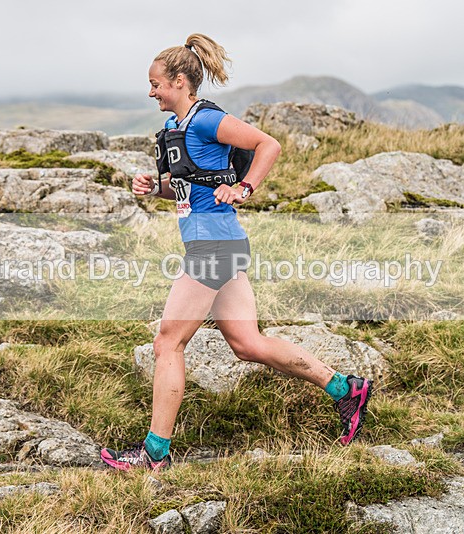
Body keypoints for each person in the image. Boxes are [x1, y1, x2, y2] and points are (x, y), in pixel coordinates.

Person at [100, 34, 372, 471]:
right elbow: (191, 188)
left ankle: (153, 455)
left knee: (168, 342)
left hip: (213, 246)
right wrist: (156, 188)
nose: (150, 92)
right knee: (247, 343)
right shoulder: (175, 130)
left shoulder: (208, 120)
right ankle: (344, 388)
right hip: (220, 243)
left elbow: (269, 145)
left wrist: (244, 187)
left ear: (181, 81)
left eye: (156, 84)